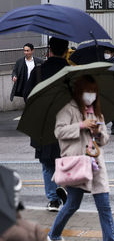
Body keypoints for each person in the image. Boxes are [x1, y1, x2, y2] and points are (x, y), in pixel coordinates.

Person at [47, 75, 114, 241]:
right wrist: (81, 125)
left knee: (104, 205)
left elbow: (105, 139)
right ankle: (53, 236)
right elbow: (58, 131)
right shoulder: (68, 109)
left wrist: (98, 132)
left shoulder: (97, 112)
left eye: (94, 92)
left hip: (95, 164)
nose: (91, 95)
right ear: (79, 92)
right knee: (72, 204)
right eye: (87, 91)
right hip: (77, 164)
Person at [26, 37, 69, 213]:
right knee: (64, 162)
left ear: (49, 50)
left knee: (47, 164)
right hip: (66, 124)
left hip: (43, 125)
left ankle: (53, 200)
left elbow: (28, 97)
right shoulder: (71, 73)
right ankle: (65, 194)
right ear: (66, 51)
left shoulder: (38, 71)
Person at [101, 48, 114, 135]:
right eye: (105, 52)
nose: (106, 54)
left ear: (112, 53)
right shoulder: (102, 62)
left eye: (107, 52)